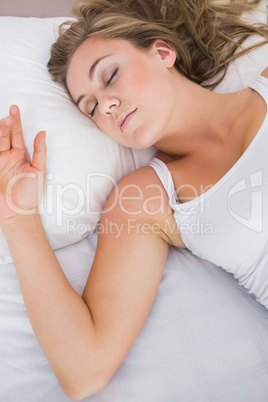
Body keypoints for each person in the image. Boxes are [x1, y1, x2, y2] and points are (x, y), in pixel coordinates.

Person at [0, 0, 268, 399]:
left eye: (109, 76)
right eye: (90, 108)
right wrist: (17, 218)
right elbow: (84, 369)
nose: (105, 106)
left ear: (162, 53)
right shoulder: (145, 198)